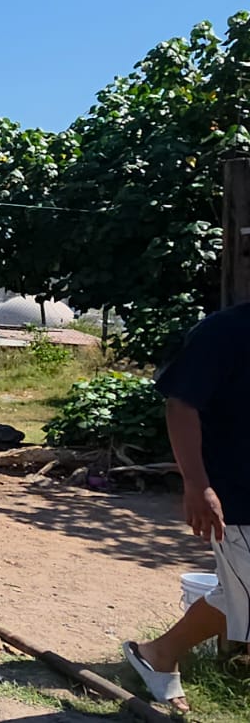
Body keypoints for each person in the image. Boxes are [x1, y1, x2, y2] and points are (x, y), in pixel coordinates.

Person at [123, 303, 250, 714]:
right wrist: (197, 484)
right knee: (245, 594)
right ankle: (159, 653)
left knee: (238, 594)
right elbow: (180, 405)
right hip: (237, 494)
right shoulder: (224, 331)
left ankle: (156, 653)